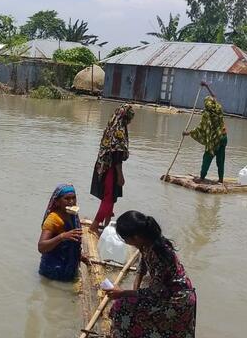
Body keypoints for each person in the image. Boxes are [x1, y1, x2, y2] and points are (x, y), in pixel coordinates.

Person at [105, 211, 196, 338]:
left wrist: (123, 293)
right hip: (164, 293)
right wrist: (134, 291)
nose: (126, 242)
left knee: (121, 306)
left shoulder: (159, 254)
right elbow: (141, 269)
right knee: (127, 303)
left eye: (126, 239)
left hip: (176, 300)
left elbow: (155, 292)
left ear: (135, 237)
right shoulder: (146, 244)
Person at [90, 103, 133, 234]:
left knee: (111, 197)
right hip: (110, 169)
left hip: (103, 166)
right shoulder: (119, 131)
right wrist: (120, 175)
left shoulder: (111, 127)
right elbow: (116, 155)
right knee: (108, 199)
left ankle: (107, 225)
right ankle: (95, 225)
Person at [37, 184, 85, 282]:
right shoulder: (53, 219)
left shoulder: (73, 215)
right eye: (67, 199)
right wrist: (62, 236)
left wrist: (79, 256)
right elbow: (41, 247)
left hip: (69, 269)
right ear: (58, 202)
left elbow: (73, 241)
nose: (71, 202)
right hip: (52, 272)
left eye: (73, 198)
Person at [183, 81, 227, 183]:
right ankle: (221, 179)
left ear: (206, 105)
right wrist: (207, 86)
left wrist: (187, 133)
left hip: (214, 140)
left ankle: (202, 177)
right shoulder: (219, 108)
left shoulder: (207, 115)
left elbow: (201, 129)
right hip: (223, 137)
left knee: (207, 156)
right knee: (220, 159)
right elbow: (214, 96)